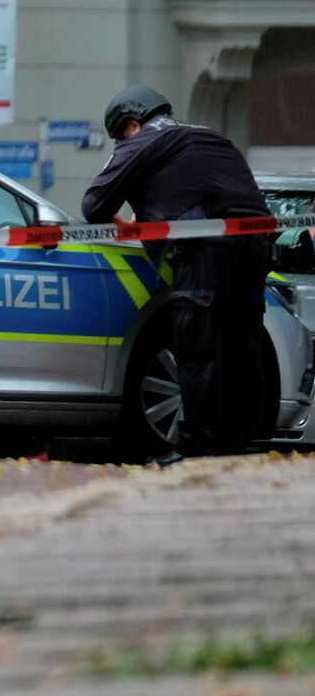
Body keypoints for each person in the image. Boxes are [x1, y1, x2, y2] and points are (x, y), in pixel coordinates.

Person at [82, 85, 270, 463]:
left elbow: (94, 205)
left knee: (198, 346)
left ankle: (198, 448)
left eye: (121, 135)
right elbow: (199, 187)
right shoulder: (209, 136)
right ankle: (238, 445)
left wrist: (129, 227)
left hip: (205, 250)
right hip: (256, 241)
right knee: (240, 343)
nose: (122, 143)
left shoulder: (143, 140)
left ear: (131, 123)